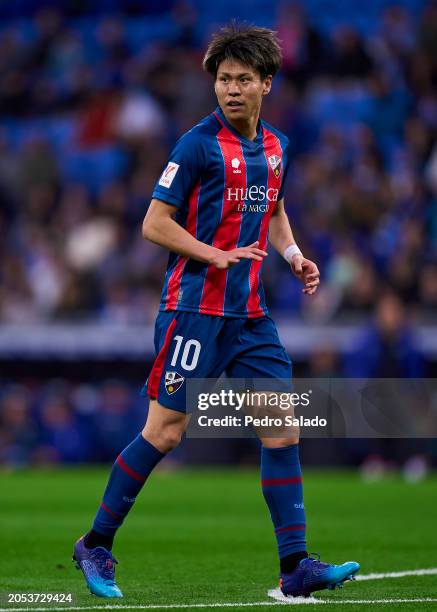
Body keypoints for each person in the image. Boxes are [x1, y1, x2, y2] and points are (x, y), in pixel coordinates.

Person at [73, 24, 359, 600]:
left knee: (281, 426)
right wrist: (215, 254)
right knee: (166, 431)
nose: (231, 90)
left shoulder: (276, 147)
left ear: (266, 85)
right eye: (224, 80)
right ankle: (95, 544)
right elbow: (153, 223)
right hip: (192, 311)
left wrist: (297, 256)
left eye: (243, 80)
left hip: (249, 315)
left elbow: (272, 210)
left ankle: (295, 565)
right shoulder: (196, 145)